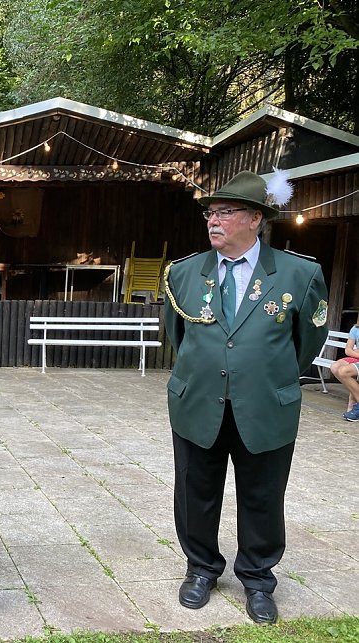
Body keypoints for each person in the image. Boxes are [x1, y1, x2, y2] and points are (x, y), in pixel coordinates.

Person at [163, 170, 329, 624]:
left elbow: (307, 344)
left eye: (225, 213)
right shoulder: (183, 272)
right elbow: (177, 336)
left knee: (262, 496)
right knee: (196, 493)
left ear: (256, 219)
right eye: (210, 214)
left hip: (264, 406)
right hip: (198, 402)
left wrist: (261, 374)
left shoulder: (300, 272)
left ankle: (257, 578)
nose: (213, 221)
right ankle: (201, 569)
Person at [330, 315, 359, 420]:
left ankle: (354, 404)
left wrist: (355, 351)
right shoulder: (355, 329)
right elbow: (348, 350)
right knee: (334, 367)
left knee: (343, 372)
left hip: (356, 357)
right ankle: (355, 403)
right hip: (357, 358)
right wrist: (356, 352)